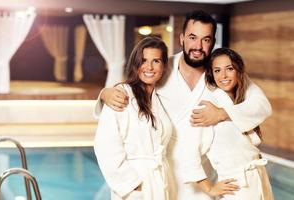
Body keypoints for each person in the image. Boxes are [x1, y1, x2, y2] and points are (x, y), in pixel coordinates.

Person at [94, 10, 272, 200]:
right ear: (182, 38)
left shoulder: (219, 74)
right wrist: (105, 93)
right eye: (193, 37)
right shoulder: (162, 66)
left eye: (206, 39)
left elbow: (261, 105)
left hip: (199, 179)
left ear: (213, 42)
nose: (198, 46)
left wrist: (222, 113)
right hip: (160, 175)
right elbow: (133, 87)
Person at [183, 47, 274, 199]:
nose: (223, 75)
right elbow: (188, 152)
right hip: (235, 189)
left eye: (229, 69)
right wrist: (209, 188)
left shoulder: (244, 98)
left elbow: (263, 106)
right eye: (217, 70)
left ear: (238, 71)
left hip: (259, 181)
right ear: (212, 74)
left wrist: (222, 114)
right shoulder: (206, 107)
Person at [94, 37, 176, 200]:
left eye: (156, 61)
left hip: (162, 180)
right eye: (144, 60)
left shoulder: (160, 97)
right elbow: (105, 145)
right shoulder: (122, 94)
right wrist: (131, 185)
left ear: (164, 65)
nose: (149, 67)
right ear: (135, 63)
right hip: (136, 184)